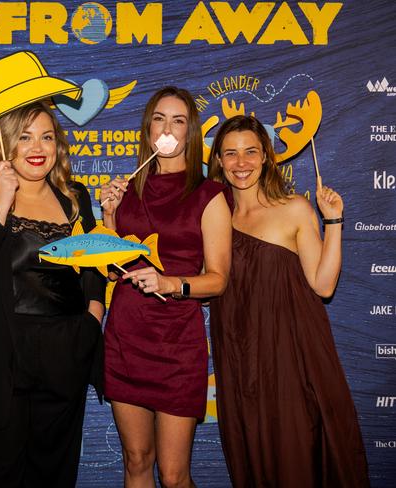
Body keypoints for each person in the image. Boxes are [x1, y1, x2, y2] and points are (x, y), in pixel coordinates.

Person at [0, 101, 105, 487]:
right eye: (25, 136)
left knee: (53, 474)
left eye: (47, 137)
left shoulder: (74, 197)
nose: (37, 147)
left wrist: (92, 316)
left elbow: (95, 260)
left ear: (58, 145)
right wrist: (0, 202)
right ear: (5, 143)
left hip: (63, 358)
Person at [207, 115, 370, 487]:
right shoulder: (214, 216)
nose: (241, 163)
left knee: (296, 452)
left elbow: (324, 285)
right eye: (230, 154)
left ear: (266, 156)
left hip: (288, 357)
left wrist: (334, 222)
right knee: (252, 454)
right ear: (218, 161)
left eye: (250, 151)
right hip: (238, 357)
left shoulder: (294, 208)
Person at [100, 86, 232, 488]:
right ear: (148, 128)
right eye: (159, 118)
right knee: (137, 459)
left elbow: (219, 279)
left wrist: (169, 282)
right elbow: (110, 269)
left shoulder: (209, 194)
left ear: (190, 132)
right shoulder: (127, 190)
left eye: (178, 120)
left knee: (174, 476)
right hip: (126, 336)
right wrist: (107, 215)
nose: (168, 127)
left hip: (177, 344)